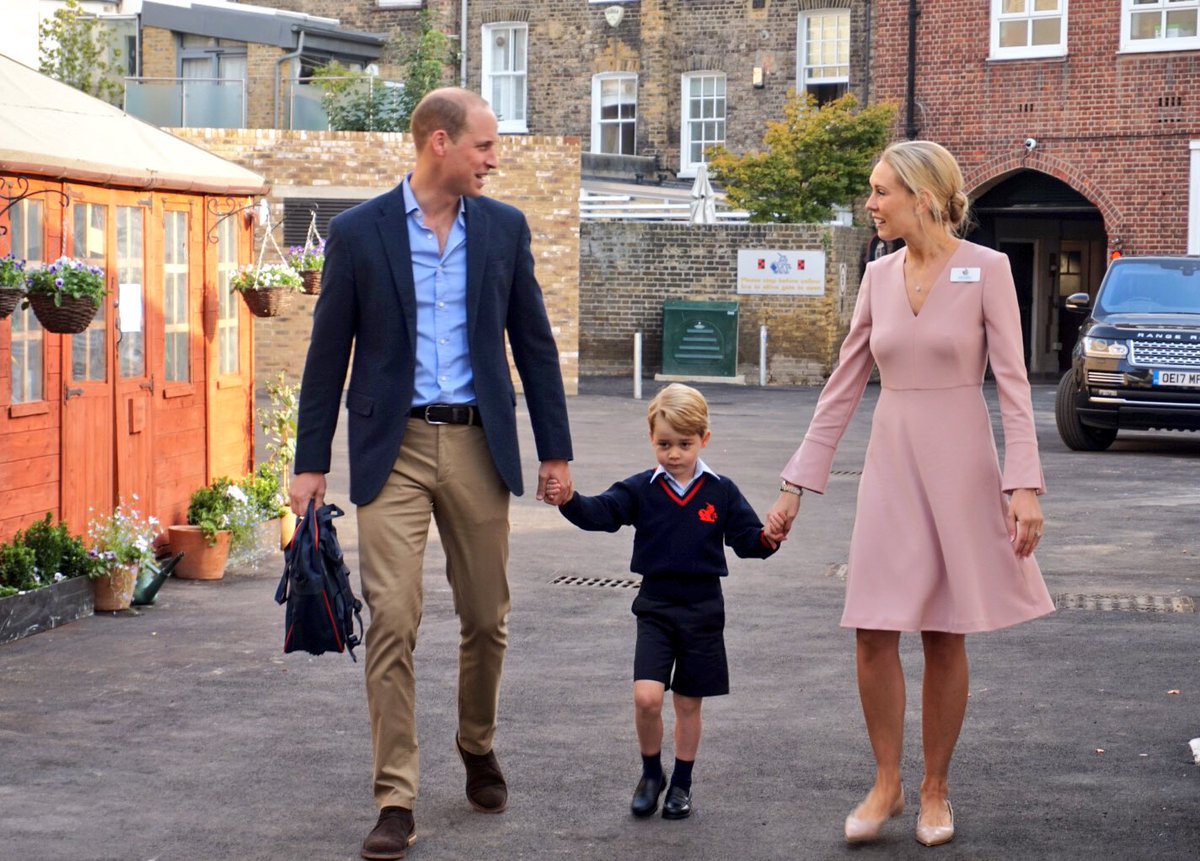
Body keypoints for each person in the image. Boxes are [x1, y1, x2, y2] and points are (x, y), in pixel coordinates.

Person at [289, 87, 574, 861]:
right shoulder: (360, 232)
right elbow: (326, 358)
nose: (494, 158)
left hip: (480, 445)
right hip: (396, 449)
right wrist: (308, 464)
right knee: (394, 618)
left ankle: (476, 741)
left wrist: (555, 451)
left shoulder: (506, 230)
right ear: (439, 142)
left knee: (487, 616)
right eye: (484, 145)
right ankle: (396, 794)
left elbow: (535, 344)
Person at [766, 141, 1054, 848]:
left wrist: (1024, 485)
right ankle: (887, 781)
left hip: (961, 465)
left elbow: (1014, 387)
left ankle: (935, 787)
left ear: (923, 195)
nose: (871, 203)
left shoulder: (987, 270)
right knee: (871, 627)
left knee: (944, 631)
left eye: (880, 190)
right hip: (891, 467)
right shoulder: (877, 276)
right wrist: (797, 482)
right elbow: (842, 386)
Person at [544, 384, 780, 821]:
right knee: (648, 697)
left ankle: (682, 785)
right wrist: (569, 500)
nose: (673, 454)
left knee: (689, 703)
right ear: (651, 438)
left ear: (704, 440)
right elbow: (602, 512)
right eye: (664, 444)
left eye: (684, 444)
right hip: (655, 607)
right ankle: (651, 774)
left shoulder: (721, 491)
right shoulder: (641, 489)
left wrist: (770, 538)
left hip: (704, 610)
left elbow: (749, 541)